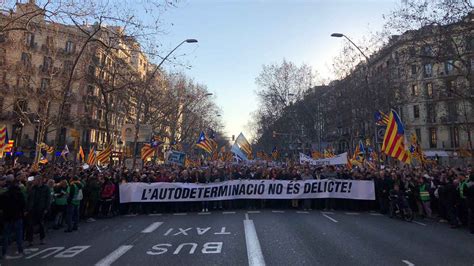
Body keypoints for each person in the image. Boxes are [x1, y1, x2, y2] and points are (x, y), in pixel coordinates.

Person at [1, 176, 25, 259]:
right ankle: (20, 251)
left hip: (7, 217)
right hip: (17, 216)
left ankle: (4, 253)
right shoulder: (19, 194)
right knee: (18, 235)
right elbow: (23, 205)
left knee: (6, 236)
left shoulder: (4, 194)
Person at [25, 175, 51, 246]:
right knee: (30, 225)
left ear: (39, 180)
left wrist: (46, 208)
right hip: (32, 209)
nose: (34, 181)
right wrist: (27, 209)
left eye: (35, 180)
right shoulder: (32, 188)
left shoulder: (46, 188)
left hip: (41, 208)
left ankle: (42, 239)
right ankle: (30, 240)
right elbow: (28, 198)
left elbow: (48, 199)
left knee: (41, 224)